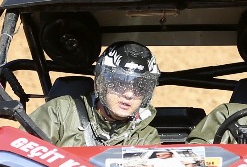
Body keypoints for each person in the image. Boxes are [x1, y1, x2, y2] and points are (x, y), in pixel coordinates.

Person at [33, 41, 162, 147]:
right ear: (102, 83)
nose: (129, 95)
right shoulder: (61, 113)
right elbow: (24, 157)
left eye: (140, 87)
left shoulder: (145, 138)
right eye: (120, 83)